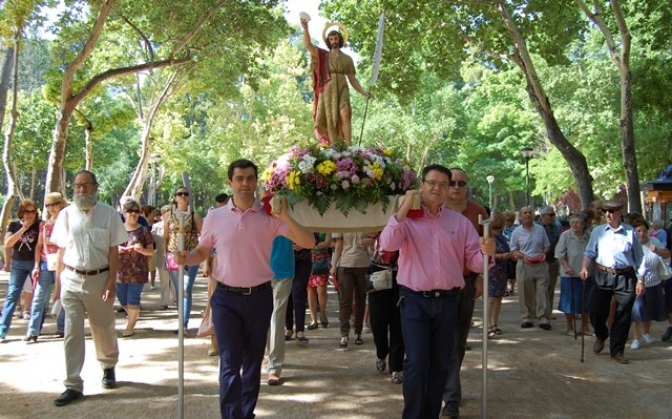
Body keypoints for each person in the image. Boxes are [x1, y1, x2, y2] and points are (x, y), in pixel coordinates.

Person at [174, 159, 315, 419]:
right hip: (225, 298)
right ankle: (232, 415)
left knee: (252, 363)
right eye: (239, 178)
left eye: (250, 178)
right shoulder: (214, 217)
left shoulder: (270, 217)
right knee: (230, 362)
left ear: (256, 181)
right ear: (230, 182)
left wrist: (285, 216)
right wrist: (186, 258)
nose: (245, 184)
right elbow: (202, 251)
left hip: (260, 297)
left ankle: (245, 413)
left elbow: (308, 241)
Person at [379, 164, 495, 419]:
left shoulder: (459, 223)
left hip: (449, 301)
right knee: (417, 361)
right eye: (432, 183)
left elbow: (475, 261)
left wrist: (487, 252)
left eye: (444, 184)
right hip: (414, 300)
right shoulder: (406, 219)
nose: (438, 188)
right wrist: (403, 208)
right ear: (421, 185)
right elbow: (387, 244)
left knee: (440, 364)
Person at [51, 170, 128, 406]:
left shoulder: (109, 214)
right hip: (71, 280)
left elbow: (114, 250)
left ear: (96, 187)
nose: (81, 190)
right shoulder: (65, 215)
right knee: (72, 332)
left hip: (100, 279)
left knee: (103, 328)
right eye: (77, 186)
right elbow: (61, 251)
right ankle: (72, 384)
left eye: (86, 185)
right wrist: (57, 287)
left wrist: (111, 282)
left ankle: (108, 365)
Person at [441, 167, 488, 418]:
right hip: (439, 284)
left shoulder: (477, 212)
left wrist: (480, 277)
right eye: (452, 183)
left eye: (461, 183)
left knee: (457, 341)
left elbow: (485, 249)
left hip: (467, 282)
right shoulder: (434, 210)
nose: (457, 187)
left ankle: (451, 393)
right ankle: (448, 393)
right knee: (443, 342)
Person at [580, 199, 646, 364]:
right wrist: (584, 267)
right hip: (603, 274)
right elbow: (589, 252)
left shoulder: (630, 232)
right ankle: (601, 335)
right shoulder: (598, 231)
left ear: (619, 212)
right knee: (595, 310)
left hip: (625, 276)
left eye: (611, 211)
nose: (607, 214)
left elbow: (639, 258)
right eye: (605, 211)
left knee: (623, 315)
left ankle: (617, 350)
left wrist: (641, 280)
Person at [300, 16, 371, 144]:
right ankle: (334, 145)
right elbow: (308, 45)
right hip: (327, 89)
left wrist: (363, 92)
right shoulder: (323, 55)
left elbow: (353, 79)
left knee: (345, 113)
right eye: (331, 39)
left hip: (342, 87)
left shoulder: (347, 59)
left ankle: (349, 145)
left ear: (340, 39)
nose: (334, 41)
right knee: (330, 117)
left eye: (336, 38)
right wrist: (306, 28)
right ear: (328, 41)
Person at [24, 193, 67, 342]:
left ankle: (62, 328)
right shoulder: (44, 225)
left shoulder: (67, 222)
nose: (51, 208)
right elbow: (38, 246)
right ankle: (33, 330)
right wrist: (36, 266)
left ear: (61, 204)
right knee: (39, 297)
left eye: (54, 204)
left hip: (65, 263)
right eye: (48, 205)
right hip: (45, 263)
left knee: (63, 296)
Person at [164, 186, 203, 335]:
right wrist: (165, 254)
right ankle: (181, 321)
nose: (183, 196)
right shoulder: (168, 216)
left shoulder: (195, 216)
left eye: (185, 194)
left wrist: (201, 255)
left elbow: (204, 237)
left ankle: (184, 325)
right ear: (175, 197)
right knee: (179, 290)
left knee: (186, 288)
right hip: (173, 256)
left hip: (190, 256)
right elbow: (166, 237)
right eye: (179, 194)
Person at [0, 199, 41, 341]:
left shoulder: (40, 225)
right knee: (12, 294)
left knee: (38, 296)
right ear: (21, 213)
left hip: (35, 263)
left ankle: (34, 330)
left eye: (33, 212)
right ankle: (2, 330)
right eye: (27, 212)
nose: (30, 215)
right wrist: (23, 229)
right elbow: (7, 243)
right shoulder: (14, 225)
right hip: (18, 264)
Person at [367, 234, 404, 384]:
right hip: (378, 269)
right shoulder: (379, 213)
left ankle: (396, 367)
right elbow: (367, 232)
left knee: (399, 321)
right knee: (377, 320)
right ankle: (381, 353)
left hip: (403, 271)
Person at [629, 218, 670, 350]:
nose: (641, 233)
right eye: (638, 231)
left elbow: (667, 253)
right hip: (635, 283)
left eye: (644, 230)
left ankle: (646, 332)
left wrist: (658, 251)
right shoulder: (630, 245)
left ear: (648, 231)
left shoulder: (655, 241)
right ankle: (636, 338)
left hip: (654, 283)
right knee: (636, 311)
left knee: (649, 310)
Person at [510, 206, 552, 331]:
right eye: (525, 213)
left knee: (542, 292)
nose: (527, 215)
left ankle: (543, 318)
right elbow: (513, 250)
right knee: (524, 291)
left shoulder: (540, 230)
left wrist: (544, 253)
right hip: (524, 264)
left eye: (530, 213)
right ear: (520, 216)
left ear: (533, 215)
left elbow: (547, 246)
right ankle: (527, 317)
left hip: (540, 264)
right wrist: (522, 256)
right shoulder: (516, 232)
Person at [117, 199, 154, 337]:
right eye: (130, 211)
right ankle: (134, 315)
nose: (133, 214)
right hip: (119, 271)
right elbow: (108, 248)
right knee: (122, 299)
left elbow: (151, 251)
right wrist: (117, 249)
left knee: (133, 299)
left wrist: (142, 250)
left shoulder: (144, 231)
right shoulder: (117, 229)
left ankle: (130, 326)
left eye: (136, 211)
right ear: (124, 213)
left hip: (138, 271)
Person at [331, 232, 372, 348]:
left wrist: (368, 241)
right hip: (345, 265)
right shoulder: (341, 221)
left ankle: (358, 331)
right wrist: (334, 266)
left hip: (363, 264)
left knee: (361, 300)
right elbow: (338, 245)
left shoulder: (365, 219)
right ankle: (344, 333)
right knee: (345, 300)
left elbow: (374, 236)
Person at [555, 212, 593, 336]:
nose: (574, 225)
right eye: (572, 222)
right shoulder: (565, 236)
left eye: (577, 222)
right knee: (569, 302)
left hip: (587, 273)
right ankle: (570, 328)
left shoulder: (589, 236)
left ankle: (585, 327)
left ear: (584, 224)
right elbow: (559, 254)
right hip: (570, 275)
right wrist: (566, 267)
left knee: (586, 301)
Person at [202, 193, 230, 356]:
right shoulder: (212, 218)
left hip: (233, 265)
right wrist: (206, 263)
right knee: (214, 301)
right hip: (215, 263)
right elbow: (206, 244)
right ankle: (214, 341)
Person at [266, 236, 294, 386]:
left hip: (283, 270)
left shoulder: (292, 212)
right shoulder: (255, 212)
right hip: (260, 271)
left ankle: (274, 366)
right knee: (263, 317)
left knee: (276, 317)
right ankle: (270, 357)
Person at [487, 213, 511, 338]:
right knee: (490, 298)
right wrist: (501, 256)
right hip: (492, 270)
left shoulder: (502, 236)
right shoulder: (489, 236)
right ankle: (487, 326)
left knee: (498, 298)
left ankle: (494, 324)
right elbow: (485, 254)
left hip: (502, 270)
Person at [285, 243, 311, 344]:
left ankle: (300, 331)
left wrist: (304, 244)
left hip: (303, 259)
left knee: (298, 291)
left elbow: (314, 240)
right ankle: (289, 329)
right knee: (287, 294)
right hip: (285, 259)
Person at [538, 206, 561, 321]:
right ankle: (540, 311)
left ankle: (548, 312)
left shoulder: (556, 228)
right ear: (543, 216)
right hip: (539, 262)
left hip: (552, 261)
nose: (553, 217)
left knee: (550, 288)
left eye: (554, 214)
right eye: (550, 215)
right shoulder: (537, 228)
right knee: (540, 288)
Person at [307, 232, 331, 329]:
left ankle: (322, 312)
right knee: (310, 289)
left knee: (321, 290)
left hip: (322, 260)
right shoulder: (307, 225)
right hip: (308, 259)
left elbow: (327, 242)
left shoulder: (325, 226)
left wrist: (312, 245)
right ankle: (314, 319)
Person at [152, 205, 172, 311]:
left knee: (175, 280)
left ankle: (177, 299)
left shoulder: (176, 226)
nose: (168, 214)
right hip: (161, 257)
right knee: (164, 280)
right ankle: (164, 301)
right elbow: (151, 242)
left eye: (170, 211)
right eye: (165, 212)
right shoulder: (156, 227)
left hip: (174, 258)